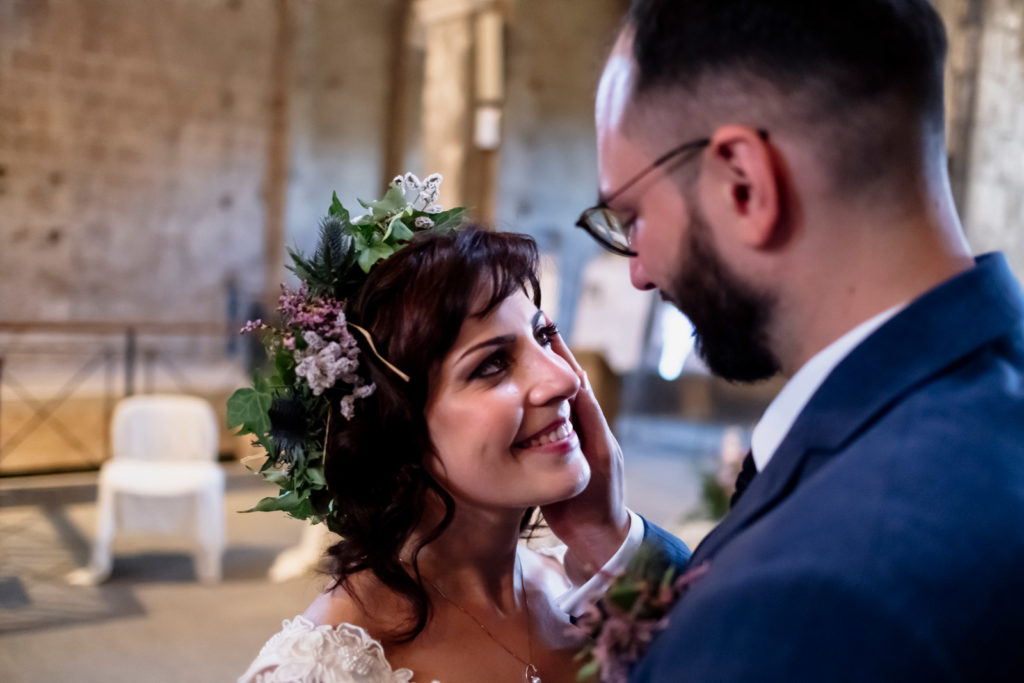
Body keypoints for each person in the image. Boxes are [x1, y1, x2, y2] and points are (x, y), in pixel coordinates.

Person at [566, 0, 1024, 680]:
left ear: (744, 185)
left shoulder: (809, 600)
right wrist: (620, 545)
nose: (637, 270)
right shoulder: (988, 395)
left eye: (632, 214)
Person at [238, 218, 661, 683]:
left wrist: (610, 534)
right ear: (392, 426)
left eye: (543, 336)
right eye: (492, 364)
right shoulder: (322, 669)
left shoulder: (589, 582)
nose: (564, 379)